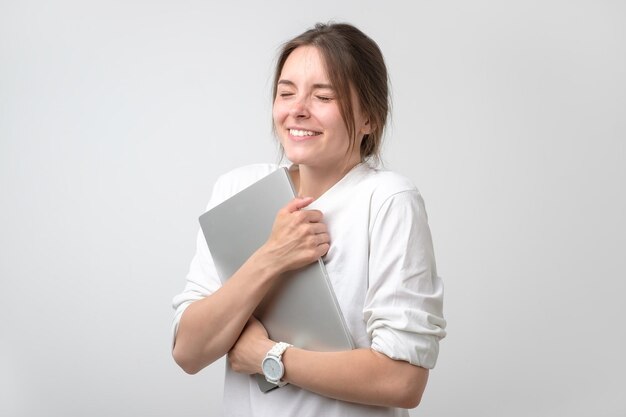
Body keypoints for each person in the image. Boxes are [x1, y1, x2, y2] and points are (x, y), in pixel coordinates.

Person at [172, 22, 446, 417]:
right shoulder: (237, 189)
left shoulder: (388, 200)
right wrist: (272, 256)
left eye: (323, 96)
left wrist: (271, 357)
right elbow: (189, 352)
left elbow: (402, 381)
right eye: (286, 93)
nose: (297, 109)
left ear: (369, 117)